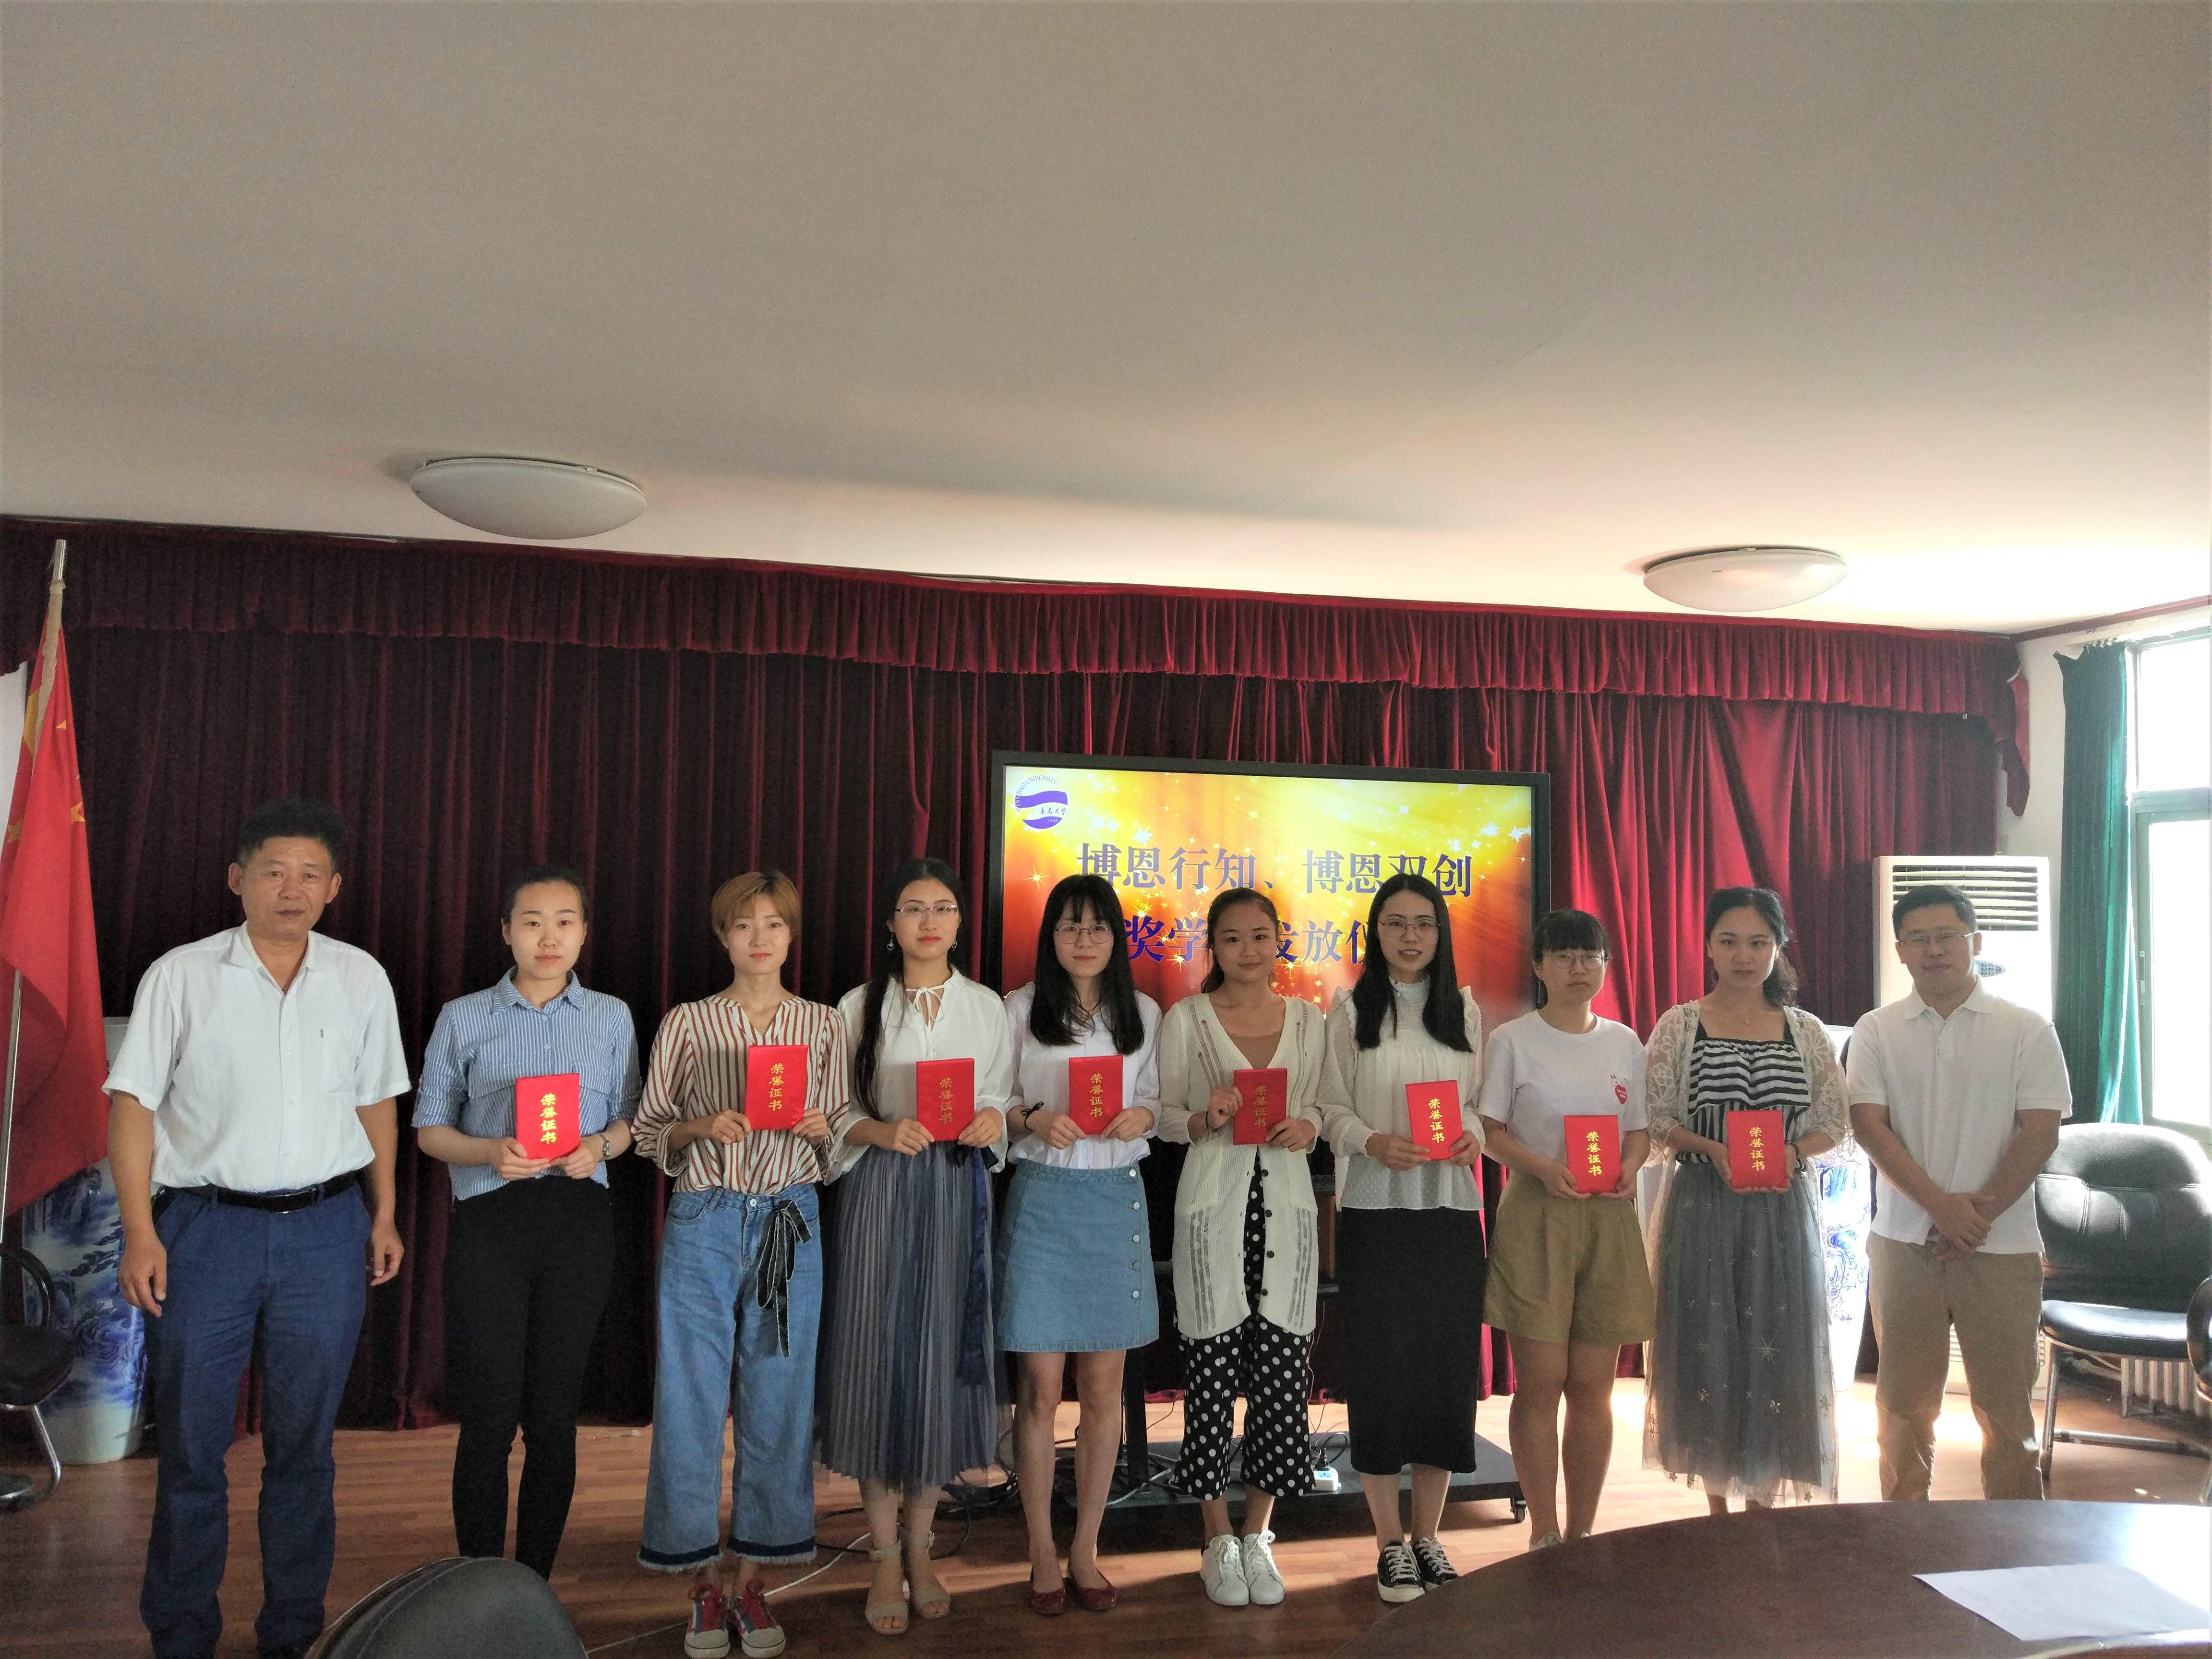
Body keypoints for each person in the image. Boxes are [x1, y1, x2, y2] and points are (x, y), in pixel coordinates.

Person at [106, 799, 409, 1659]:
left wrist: (384, 1211)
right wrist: (140, 1231)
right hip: (207, 1232)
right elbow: (132, 1107)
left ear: (334, 888)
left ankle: (292, 1631)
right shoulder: (182, 976)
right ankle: (181, 1631)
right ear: (239, 879)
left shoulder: (360, 978)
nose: (292, 888)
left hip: (325, 1231)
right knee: (191, 1447)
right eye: (274, 871)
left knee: (305, 1448)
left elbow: (376, 1101)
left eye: (311, 874)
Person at [629, 869, 857, 1659]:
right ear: (723, 936)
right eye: (744, 925)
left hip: (790, 1215)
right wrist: (700, 1126)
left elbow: (839, 1142)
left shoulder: (822, 1025)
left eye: (774, 924)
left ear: (792, 936)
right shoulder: (689, 1023)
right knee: (689, 1390)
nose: (760, 938)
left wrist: (821, 1128)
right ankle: (698, 1580)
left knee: (780, 1390)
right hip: (706, 1214)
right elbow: (650, 1131)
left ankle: (756, 1577)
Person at [412, 864, 642, 1582]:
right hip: (491, 1225)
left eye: (564, 922)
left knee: (553, 1417)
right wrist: (490, 1151)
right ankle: (482, 1583)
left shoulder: (611, 1016)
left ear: (584, 933)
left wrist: (599, 1146)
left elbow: (632, 1119)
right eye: (533, 922)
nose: (549, 937)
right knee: (487, 1416)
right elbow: (429, 1129)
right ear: (506, 931)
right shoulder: (463, 1016)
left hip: (577, 1224)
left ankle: (534, 1583)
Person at [817, 856, 1013, 1637]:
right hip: (879, 1189)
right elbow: (831, 1110)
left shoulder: (986, 1007)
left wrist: (991, 1120)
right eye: (913, 908)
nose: (929, 922)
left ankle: (923, 1549)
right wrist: (877, 1129)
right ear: (891, 924)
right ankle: (882, 1558)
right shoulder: (856, 1006)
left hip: (956, 1190)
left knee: (938, 1361)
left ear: (960, 922)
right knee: (876, 1355)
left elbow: (998, 1096)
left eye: (943, 908)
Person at [1847, 882, 2068, 1502]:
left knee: (2006, 1410)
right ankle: (1906, 1533)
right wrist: (1941, 1208)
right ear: (1900, 950)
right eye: (1918, 939)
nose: (1934, 950)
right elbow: (1870, 1127)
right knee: (1902, 1408)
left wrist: (1974, 1217)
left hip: (2002, 1246)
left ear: (1976, 941)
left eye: (1947, 936)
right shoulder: (1876, 1030)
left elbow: (2041, 1131)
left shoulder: (2025, 1028)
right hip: (1903, 1242)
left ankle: (2013, 1539)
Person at [1641, 886, 1850, 1513]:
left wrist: (1791, 1153)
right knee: (1705, 1347)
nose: (1743, 956)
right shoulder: (1680, 1025)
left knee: (1779, 1350)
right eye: (1729, 941)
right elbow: (1656, 1120)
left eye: (1759, 943)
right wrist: (1711, 1149)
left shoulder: (1806, 1030)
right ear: (1708, 946)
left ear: (1778, 948)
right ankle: (1716, 1511)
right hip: (1702, 1207)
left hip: (1781, 1212)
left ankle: (1762, 1507)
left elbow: (1834, 1123)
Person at [1154, 886, 1332, 1610]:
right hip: (1215, 1216)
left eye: (1261, 936)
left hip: (1285, 1217)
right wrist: (1205, 1116)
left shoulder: (1309, 1021)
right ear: (1214, 947)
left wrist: (1308, 1125)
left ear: (1279, 940)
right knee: (1210, 1380)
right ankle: (1216, 1539)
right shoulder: (1187, 1019)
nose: (1249, 951)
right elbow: (1163, 1115)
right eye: (1232, 938)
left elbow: (1323, 1102)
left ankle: (1259, 1534)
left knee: (1282, 1384)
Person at [1317, 874, 1487, 1603]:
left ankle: (1429, 1537)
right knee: (1382, 1370)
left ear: (1440, 933)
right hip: (1375, 1212)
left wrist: (1472, 1136)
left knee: (1444, 1371)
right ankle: (1390, 1542)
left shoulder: (1465, 1011)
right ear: (1375, 932)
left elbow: (1478, 1106)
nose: (1410, 936)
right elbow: (1327, 1107)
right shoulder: (1349, 1010)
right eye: (1395, 923)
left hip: (1449, 1212)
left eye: (1423, 923)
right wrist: (1371, 1141)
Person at [998, 875, 1161, 1616]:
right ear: (1051, 937)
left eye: (1098, 927)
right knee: (1038, 1388)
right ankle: (1040, 1548)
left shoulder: (1144, 1013)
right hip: (1043, 1199)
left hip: (1113, 1201)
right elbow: (993, 1101)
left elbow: (1158, 1100)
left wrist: (1140, 1118)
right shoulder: (1020, 1009)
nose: (1084, 939)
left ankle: (1086, 1549)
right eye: (1070, 926)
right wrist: (1032, 1118)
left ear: (1116, 937)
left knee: (1102, 1391)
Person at [1477, 908, 1652, 1551]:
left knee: (1593, 1386)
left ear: (1605, 965)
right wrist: (1544, 1168)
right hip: (1538, 1212)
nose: (1579, 968)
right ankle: (1544, 1531)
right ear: (1539, 967)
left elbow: (1639, 1130)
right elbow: (1490, 1132)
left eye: (1590, 956)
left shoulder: (1625, 1042)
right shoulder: (1512, 1040)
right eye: (1564, 956)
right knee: (1543, 1382)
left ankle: (1582, 1532)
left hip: (1608, 1218)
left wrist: (1631, 1166)